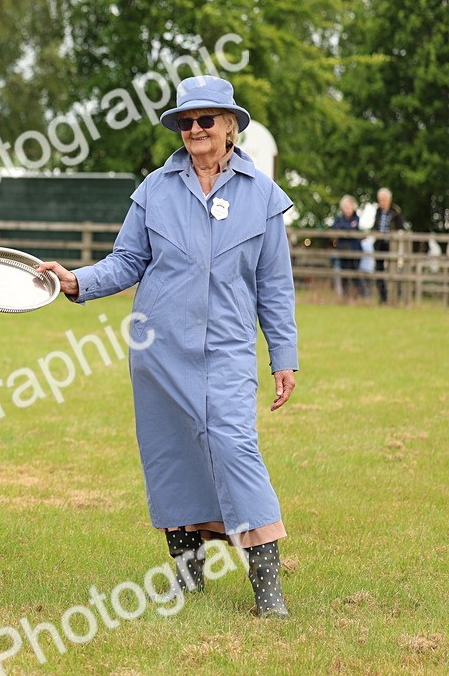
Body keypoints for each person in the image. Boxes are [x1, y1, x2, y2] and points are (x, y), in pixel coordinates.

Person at [37, 75, 297, 618]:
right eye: (186, 121)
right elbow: (128, 261)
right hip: (158, 349)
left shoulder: (264, 197)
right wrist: (76, 281)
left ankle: (266, 585)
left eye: (206, 120)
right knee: (172, 457)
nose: (195, 130)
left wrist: (284, 357)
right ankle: (187, 576)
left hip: (227, 349)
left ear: (230, 125)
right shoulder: (155, 188)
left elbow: (274, 285)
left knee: (233, 447)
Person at [370, 188, 406, 304]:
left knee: (394, 270)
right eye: (381, 200)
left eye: (384, 199)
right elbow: (375, 227)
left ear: (389, 200)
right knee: (378, 270)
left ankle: (395, 296)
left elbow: (401, 228)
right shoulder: (377, 212)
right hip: (380, 244)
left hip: (392, 245)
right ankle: (383, 296)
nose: (382, 202)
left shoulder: (395, 211)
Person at [330, 195, 368, 299]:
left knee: (356, 273)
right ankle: (346, 297)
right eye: (345, 207)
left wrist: (342, 227)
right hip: (342, 250)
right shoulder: (338, 218)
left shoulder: (356, 218)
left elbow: (351, 227)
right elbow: (333, 229)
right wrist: (346, 227)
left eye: (349, 206)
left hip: (355, 250)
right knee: (344, 274)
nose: (347, 209)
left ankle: (362, 295)